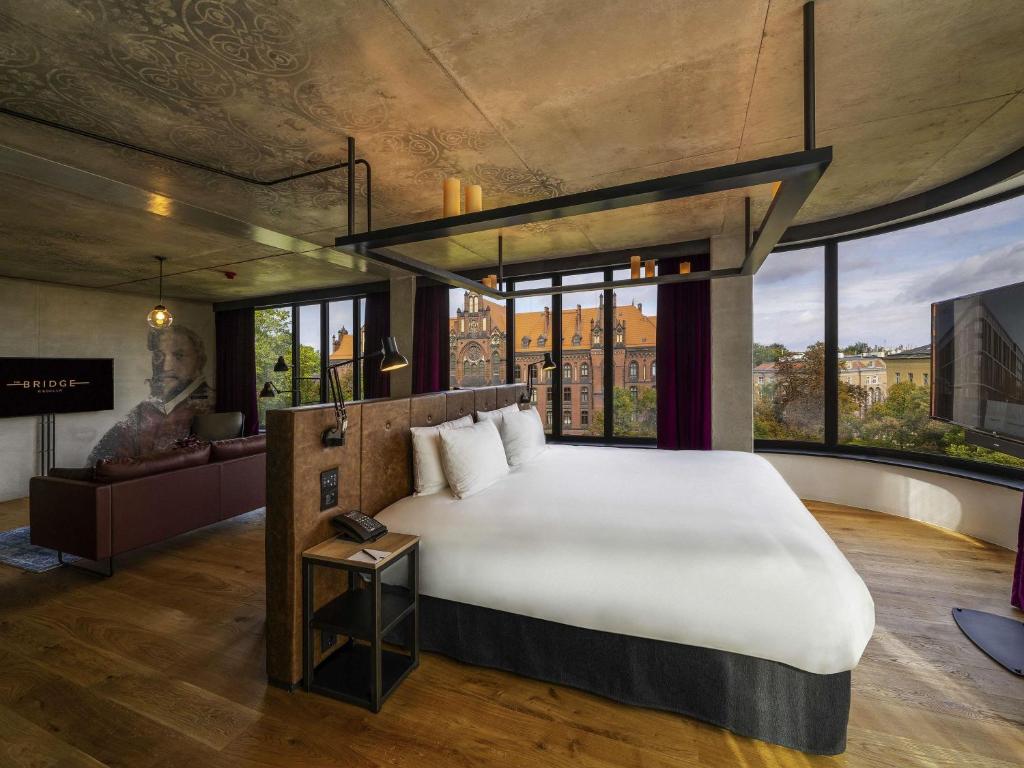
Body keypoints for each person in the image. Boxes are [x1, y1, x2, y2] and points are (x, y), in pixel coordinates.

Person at [88, 326, 212, 462]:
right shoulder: (143, 411)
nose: (165, 367)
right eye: (159, 355)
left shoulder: (208, 406)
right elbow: (97, 461)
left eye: (179, 355)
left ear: (199, 360)